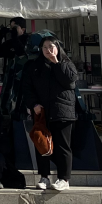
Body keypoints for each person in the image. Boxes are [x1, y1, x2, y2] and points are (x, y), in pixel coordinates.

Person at [20, 35, 78, 191]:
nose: (48, 50)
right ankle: (44, 177)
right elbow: (27, 88)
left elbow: (69, 81)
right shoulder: (34, 66)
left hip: (62, 111)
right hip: (42, 112)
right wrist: (33, 104)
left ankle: (64, 179)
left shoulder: (66, 63)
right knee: (42, 144)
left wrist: (56, 63)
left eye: (51, 46)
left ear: (57, 47)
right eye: (44, 47)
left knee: (62, 146)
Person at [0, 16, 28, 116]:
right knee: (5, 105)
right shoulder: (10, 43)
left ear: (23, 29)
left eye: (14, 27)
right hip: (9, 81)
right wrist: (1, 35)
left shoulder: (28, 40)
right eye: (11, 27)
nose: (12, 30)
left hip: (22, 82)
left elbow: (21, 52)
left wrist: (15, 36)